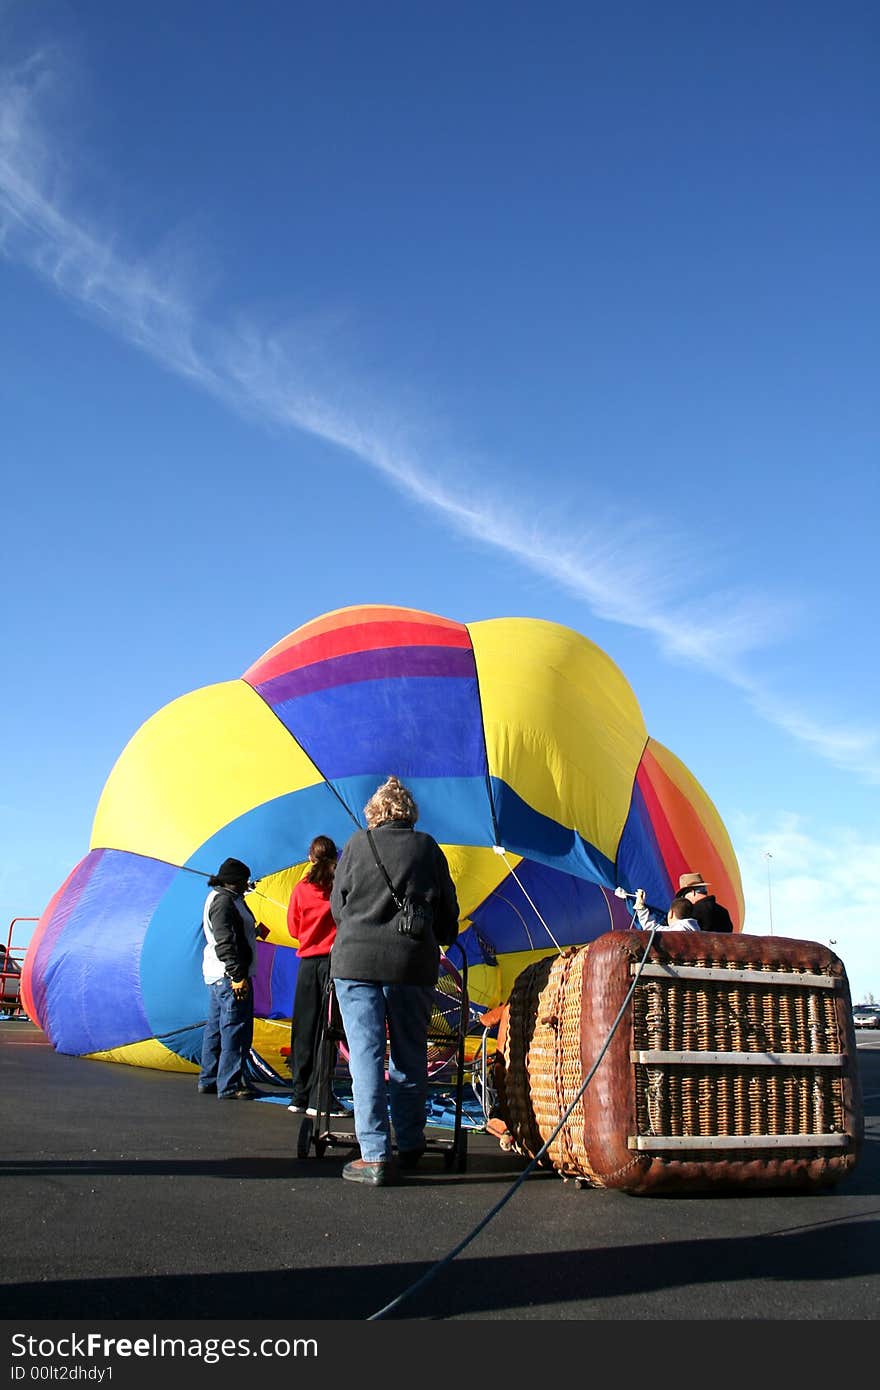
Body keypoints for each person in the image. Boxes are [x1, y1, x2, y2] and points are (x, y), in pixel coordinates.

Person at [329, 776, 460, 1187]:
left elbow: (338, 906)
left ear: (374, 812)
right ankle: (411, 1140)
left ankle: (374, 1153)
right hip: (411, 966)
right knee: (409, 1054)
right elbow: (448, 913)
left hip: (355, 964)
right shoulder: (427, 848)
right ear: (410, 813)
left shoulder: (355, 844)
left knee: (365, 1056)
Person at [286, 835, 346, 1118]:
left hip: (307, 964)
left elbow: (293, 929)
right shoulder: (340, 888)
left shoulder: (300, 889)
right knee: (328, 1030)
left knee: (303, 1030)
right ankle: (320, 1097)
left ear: (310, 857)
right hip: (333, 964)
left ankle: (299, 1093)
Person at [198, 857, 264, 1100]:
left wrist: (253, 932)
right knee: (236, 1028)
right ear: (235, 881)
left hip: (218, 975)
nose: (248, 885)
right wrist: (238, 975)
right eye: (245, 881)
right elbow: (224, 941)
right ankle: (230, 1084)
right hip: (229, 976)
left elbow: (231, 932)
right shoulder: (224, 903)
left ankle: (210, 1079)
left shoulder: (225, 899)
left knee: (215, 1028)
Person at [633, 888, 700, 932]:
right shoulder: (698, 930)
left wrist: (640, 907)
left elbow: (651, 929)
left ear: (671, 914)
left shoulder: (677, 931)